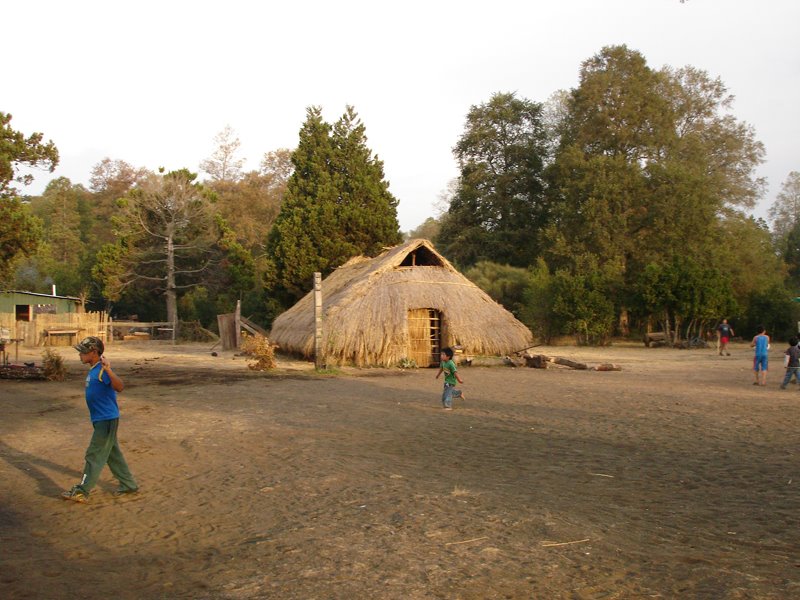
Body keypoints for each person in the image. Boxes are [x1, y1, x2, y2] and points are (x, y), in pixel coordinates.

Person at [61, 336, 139, 503]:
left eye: (83, 352)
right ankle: (129, 485)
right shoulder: (94, 369)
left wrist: (109, 370)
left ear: (94, 352)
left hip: (107, 420)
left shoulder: (103, 370)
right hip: (100, 420)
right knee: (112, 454)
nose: (80, 355)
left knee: (94, 454)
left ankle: (82, 491)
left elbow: (120, 387)